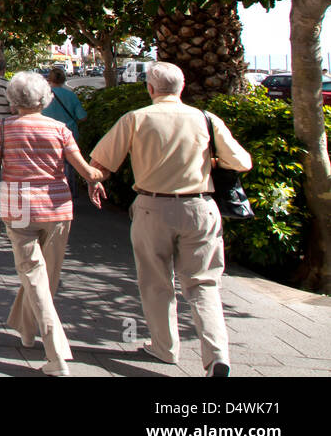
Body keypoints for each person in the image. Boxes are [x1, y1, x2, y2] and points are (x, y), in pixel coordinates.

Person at [87, 61, 253, 377]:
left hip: (152, 208)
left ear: (150, 88)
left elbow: (101, 163)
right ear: (182, 86)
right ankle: (217, 356)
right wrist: (212, 159)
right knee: (204, 284)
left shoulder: (136, 119)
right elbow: (242, 162)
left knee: (156, 282)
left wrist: (94, 180)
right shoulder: (206, 120)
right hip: (200, 208)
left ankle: (164, 347)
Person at [0, 72, 106, 377]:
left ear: (13, 99)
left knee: (34, 277)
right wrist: (97, 179)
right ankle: (26, 331)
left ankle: (56, 355)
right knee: (44, 277)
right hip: (59, 210)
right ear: (44, 99)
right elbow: (84, 169)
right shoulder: (60, 129)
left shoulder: (3, 128)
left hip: (19, 211)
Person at [41, 67, 88, 205]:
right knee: (69, 166)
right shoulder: (71, 96)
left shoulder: (44, 96)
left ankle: (48, 194)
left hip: (47, 135)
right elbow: (82, 116)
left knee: (48, 165)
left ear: (49, 79)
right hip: (69, 134)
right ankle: (69, 194)